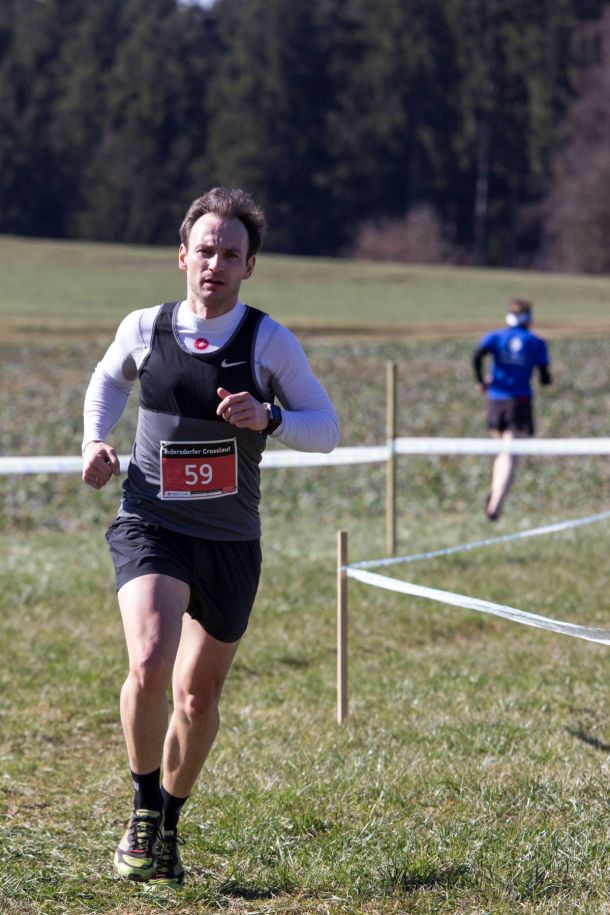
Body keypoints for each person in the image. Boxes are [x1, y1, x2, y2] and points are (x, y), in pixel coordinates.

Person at [81, 187, 340, 888]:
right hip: (151, 521)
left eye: (230, 254)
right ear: (182, 255)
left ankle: (169, 820)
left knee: (196, 699)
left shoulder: (268, 341)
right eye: (205, 250)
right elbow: (107, 379)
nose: (215, 264)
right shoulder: (146, 327)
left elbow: (327, 428)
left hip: (229, 541)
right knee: (149, 660)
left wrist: (270, 417)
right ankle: (142, 809)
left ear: (249, 265)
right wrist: (94, 441)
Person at [472, 298, 551, 521]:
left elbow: (477, 356)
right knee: (510, 454)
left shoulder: (496, 337)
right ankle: (495, 504)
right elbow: (545, 377)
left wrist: (480, 381)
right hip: (519, 401)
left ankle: (494, 495)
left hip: (495, 400)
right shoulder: (535, 342)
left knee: (502, 451)